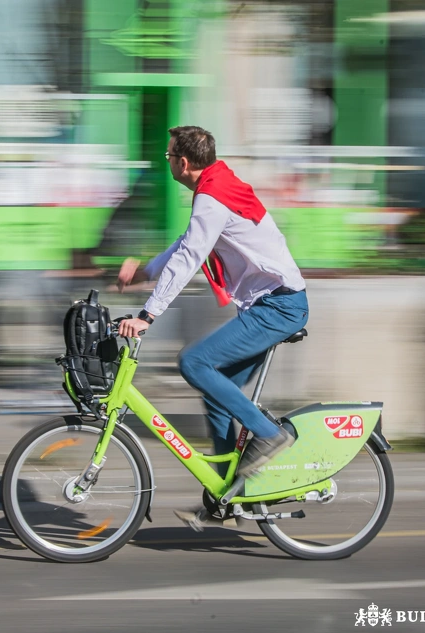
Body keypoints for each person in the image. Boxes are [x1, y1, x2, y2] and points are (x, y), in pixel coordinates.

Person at [116, 125, 309, 530]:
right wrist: (146, 273)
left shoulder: (211, 196)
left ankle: (268, 435)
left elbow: (189, 257)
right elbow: (186, 244)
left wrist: (147, 316)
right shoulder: (216, 185)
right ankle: (227, 494)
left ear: (182, 163)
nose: (167, 161)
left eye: (168, 156)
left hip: (279, 307)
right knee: (215, 388)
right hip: (270, 305)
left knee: (194, 363)